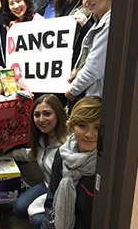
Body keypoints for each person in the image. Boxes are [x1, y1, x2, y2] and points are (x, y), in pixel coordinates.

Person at [7, 94, 67, 229]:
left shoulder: (67, 145)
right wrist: (11, 155)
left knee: (36, 220)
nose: (41, 119)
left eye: (47, 114)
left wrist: (36, 208)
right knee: (18, 207)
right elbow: (33, 154)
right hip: (47, 184)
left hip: (61, 192)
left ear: (58, 114)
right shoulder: (43, 138)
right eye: (37, 115)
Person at [41, 96, 102, 229]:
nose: (89, 134)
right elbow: (51, 201)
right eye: (82, 125)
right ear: (73, 126)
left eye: (97, 127)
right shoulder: (63, 154)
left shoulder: (105, 166)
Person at [65, 0, 113, 101]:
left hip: (100, 96)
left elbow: (94, 67)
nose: (87, 0)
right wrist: (76, 70)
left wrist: (72, 91)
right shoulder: (98, 21)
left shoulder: (109, 24)